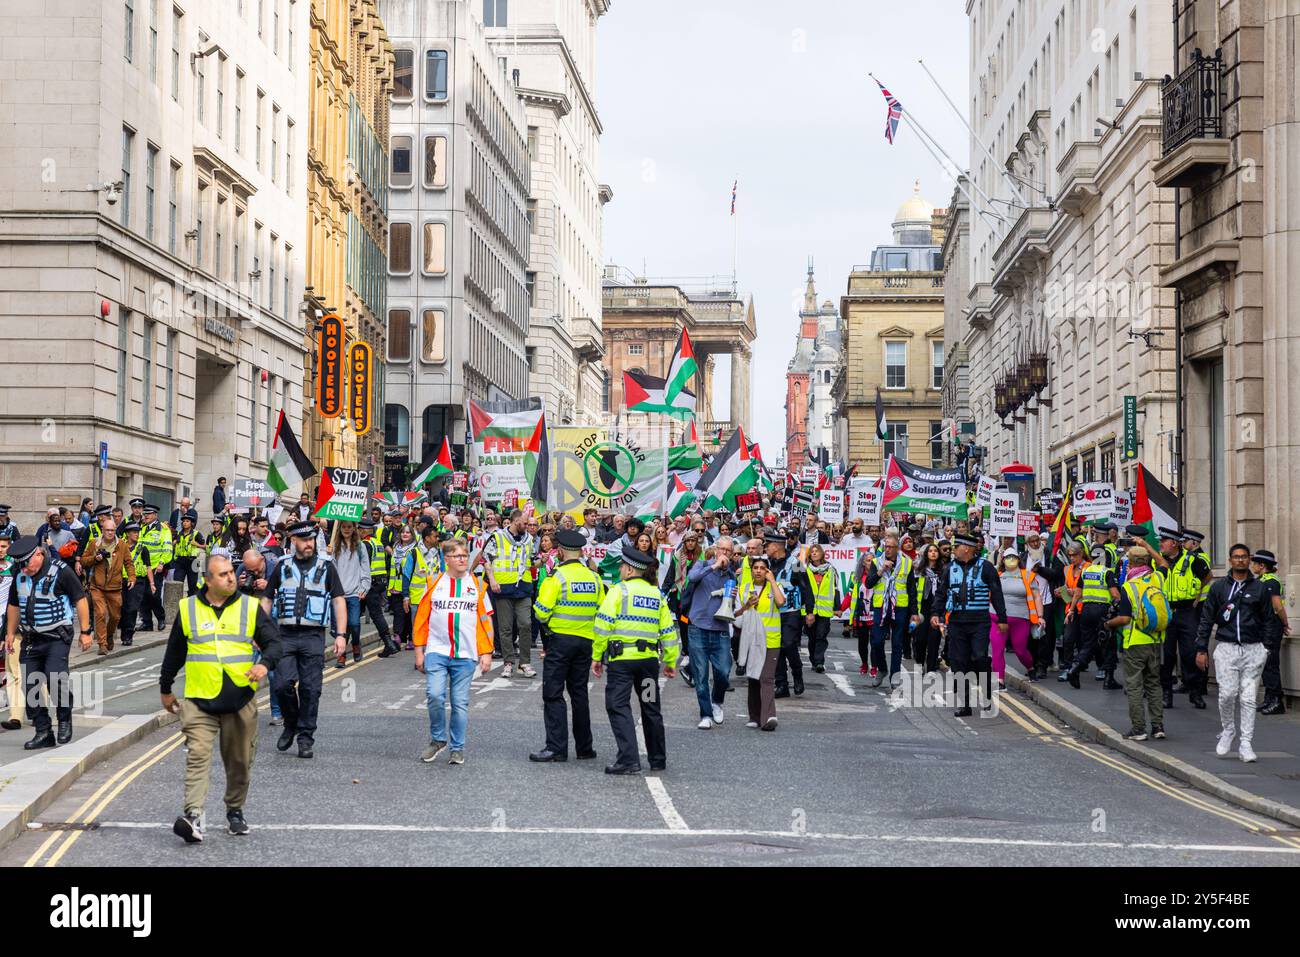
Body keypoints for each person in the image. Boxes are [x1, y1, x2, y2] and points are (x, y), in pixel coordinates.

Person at [160, 553, 282, 842]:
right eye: (223, 574)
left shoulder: (250, 607)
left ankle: (235, 810)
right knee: (198, 756)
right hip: (199, 700)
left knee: (240, 762)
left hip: (240, 700)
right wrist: (166, 688)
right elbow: (175, 651)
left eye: (231, 572)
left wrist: (264, 664)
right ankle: (193, 816)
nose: (231, 577)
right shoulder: (188, 608)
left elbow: (275, 643)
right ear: (207, 580)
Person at [259, 521, 348, 759]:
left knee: (310, 689)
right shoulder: (282, 566)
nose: (309, 544)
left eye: (311, 540)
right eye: (304, 540)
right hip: (284, 635)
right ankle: (291, 723)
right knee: (281, 685)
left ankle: (305, 738)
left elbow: (339, 600)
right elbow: (267, 599)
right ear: (293, 541)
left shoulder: (327, 567)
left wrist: (340, 634)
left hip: (313, 636)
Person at [591, 547, 679, 775]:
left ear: (630, 569)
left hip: (622, 663)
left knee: (618, 705)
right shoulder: (657, 595)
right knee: (650, 707)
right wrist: (670, 661)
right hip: (648, 664)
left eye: (622, 566)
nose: (620, 569)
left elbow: (602, 626)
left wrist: (597, 656)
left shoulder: (618, 592)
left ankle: (629, 759)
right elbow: (669, 632)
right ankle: (657, 758)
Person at [5, 536, 93, 748]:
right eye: (20, 566)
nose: (24, 569)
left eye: (27, 564)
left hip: (57, 637)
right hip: (31, 638)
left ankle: (64, 720)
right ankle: (43, 731)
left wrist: (85, 631)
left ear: (38, 554)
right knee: (30, 685)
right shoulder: (19, 574)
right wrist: (9, 633)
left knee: (56, 679)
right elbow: (14, 605)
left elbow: (80, 599)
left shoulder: (61, 571)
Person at [412, 539, 494, 766]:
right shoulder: (434, 582)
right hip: (437, 651)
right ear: (446, 558)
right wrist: (419, 651)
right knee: (435, 695)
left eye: (465, 556)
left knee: (459, 703)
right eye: (457, 556)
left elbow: (485, 621)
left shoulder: (477, 585)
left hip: (465, 655)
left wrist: (486, 652)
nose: (463, 560)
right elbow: (421, 621)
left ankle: (457, 748)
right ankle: (438, 739)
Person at [1196, 543, 1276, 763]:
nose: (1240, 560)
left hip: (1253, 648)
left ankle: (1246, 743)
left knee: (1249, 698)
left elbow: (1269, 619)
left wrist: (1266, 648)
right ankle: (1228, 730)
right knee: (1227, 694)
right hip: (1227, 648)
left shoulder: (1260, 589)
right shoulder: (1219, 588)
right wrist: (1201, 647)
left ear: (1249, 560)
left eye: (1244, 557)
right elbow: (1206, 619)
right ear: (1230, 560)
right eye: (1236, 557)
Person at [530, 529, 605, 761]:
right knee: (579, 694)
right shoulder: (594, 577)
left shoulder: (557, 577)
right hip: (586, 642)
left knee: (553, 694)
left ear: (560, 551)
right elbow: (602, 611)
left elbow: (541, 613)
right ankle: (585, 748)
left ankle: (556, 748)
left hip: (560, 641)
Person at [933, 533, 1006, 717]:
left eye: (956, 546)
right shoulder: (950, 568)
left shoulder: (986, 567)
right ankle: (965, 704)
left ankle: (987, 694)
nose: (953, 550)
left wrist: (1002, 619)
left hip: (979, 622)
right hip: (957, 622)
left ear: (966, 548)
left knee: (980, 657)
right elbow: (941, 594)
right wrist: (936, 614)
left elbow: (997, 594)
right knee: (958, 662)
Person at [1105, 546, 1167, 741]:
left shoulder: (1129, 586)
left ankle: (1138, 729)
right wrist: (1147, 546)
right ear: (1148, 562)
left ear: (1130, 563)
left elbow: (1123, 619)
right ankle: (1158, 727)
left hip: (1135, 642)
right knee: (1154, 685)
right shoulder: (1157, 578)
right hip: (1156, 640)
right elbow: (1164, 563)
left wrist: (1108, 623)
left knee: (1134, 687)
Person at [683, 536, 738, 729]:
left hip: (720, 629)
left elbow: (732, 604)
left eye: (729, 551)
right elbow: (692, 578)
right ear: (715, 550)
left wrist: (734, 596)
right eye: (722, 549)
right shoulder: (702, 564)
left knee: (723, 671)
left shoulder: (731, 575)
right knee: (700, 675)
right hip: (698, 626)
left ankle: (717, 702)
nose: (725, 553)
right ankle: (705, 714)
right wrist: (714, 566)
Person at [1160, 526, 1212, 710]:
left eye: (1163, 541)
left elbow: (1208, 576)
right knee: (1166, 655)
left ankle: (1195, 692)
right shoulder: (1159, 562)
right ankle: (1166, 693)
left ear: (1174, 543)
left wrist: (1197, 595)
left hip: (1186, 611)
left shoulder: (1192, 560)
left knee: (1190, 653)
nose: (1160, 544)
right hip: (1167, 612)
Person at [857, 533, 919, 687]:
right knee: (877, 641)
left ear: (897, 548)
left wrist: (914, 613)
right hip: (881, 607)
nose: (888, 550)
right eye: (886, 547)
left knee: (897, 644)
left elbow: (911, 589)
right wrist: (880, 571)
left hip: (900, 607)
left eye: (892, 547)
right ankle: (882, 669)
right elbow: (869, 584)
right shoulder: (877, 562)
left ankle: (895, 676)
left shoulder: (907, 563)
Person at [482, 508, 538, 679]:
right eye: (525, 523)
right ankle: (508, 663)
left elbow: (532, 559)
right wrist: (491, 580)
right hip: (503, 587)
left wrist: (541, 561)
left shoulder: (529, 538)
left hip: (524, 586)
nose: (528, 526)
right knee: (505, 628)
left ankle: (524, 663)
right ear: (516, 521)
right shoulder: (497, 537)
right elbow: (486, 558)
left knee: (525, 624)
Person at [737, 556, 783, 730]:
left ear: (767, 571)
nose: (758, 571)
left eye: (762, 568)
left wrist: (772, 581)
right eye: (755, 567)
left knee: (767, 678)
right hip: (751, 640)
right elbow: (736, 615)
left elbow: (781, 602)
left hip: (771, 641)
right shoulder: (744, 588)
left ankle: (769, 717)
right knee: (754, 678)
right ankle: (754, 716)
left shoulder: (775, 586)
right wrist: (747, 605)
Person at [1059, 542, 1114, 690]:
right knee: (1072, 639)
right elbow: (1078, 591)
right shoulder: (1069, 569)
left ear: (1082, 553)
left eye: (1074, 555)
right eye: (1070, 555)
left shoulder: (1088, 568)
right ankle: (1071, 668)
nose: (1072, 558)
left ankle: (1095, 668)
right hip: (1087, 610)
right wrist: (1070, 609)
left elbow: (1079, 591)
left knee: (1092, 642)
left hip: (1086, 609)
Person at [765, 531, 812, 698]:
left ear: (776, 546)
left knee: (789, 645)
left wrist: (810, 611)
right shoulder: (766, 563)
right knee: (775, 648)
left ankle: (797, 676)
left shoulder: (795, 563)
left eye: (767, 545)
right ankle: (781, 685)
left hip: (791, 612)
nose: (765, 548)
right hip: (772, 613)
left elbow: (806, 587)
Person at [81, 517, 135, 654]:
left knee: (115, 616)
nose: (110, 533)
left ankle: (110, 635)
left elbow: (128, 562)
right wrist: (95, 558)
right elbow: (83, 561)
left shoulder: (121, 545)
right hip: (97, 586)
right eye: (107, 530)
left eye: (113, 530)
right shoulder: (94, 543)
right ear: (103, 530)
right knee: (100, 613)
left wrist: (132, 577)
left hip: (115, 587)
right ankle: (102, 644)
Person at [990, 549, 1044, 685]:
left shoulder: (1027, 576)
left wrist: (1040, 616)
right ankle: (999, 679)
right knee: (997, 649)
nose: (1011, 559)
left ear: (1019, 559)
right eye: (1008, 557)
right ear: (1003, 559)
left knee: (1020, 650)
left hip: (1020, 619)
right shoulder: (997, 574)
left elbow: (1037, 597)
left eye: (1014, 557)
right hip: (997, 618)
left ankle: (1030, 667)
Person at [327, 520, 370, 669]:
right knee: (339, 628)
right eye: (343, 527)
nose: (346, 529)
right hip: (337, 594)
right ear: (339, 529)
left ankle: (356, 643)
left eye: (349, 527)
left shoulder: (360, 546)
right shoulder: (333, 546)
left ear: (354, 529)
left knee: (354, 624)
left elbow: (365, 568)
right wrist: (327, 554)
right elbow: (328, 569)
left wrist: (364, 587)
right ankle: (342, 655)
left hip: (354, 593)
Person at [1251, 549, 1290, 715]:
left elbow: (1277, 606)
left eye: (1255, 563)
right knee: (1265, 663)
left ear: (1262, 565)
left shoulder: (1271, 581)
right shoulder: (1262, 580)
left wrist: (1285, 623)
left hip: (1272, 627)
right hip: (1264, 627)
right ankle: (1269, 698)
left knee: (1270, 664)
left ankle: (1276, 701)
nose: (1252, 566)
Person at [360, 518, 399, 658]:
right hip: (380, 582)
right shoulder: (377, 542)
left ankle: (389, 644)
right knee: (375, 614)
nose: (358, 532)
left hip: (369, 583)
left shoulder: (365, 544)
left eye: (359, 529)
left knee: (371, 615)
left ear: (364, 530)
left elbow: (363, 565)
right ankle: (389, 643)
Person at [117, 522, 155, 647]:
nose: (137, 535)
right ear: (127, 534)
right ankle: (123, 630)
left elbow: (148, 567)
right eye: (134, 532)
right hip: (121, 580)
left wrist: (152, 583)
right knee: (122, 608)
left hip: (137, 581)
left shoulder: (142, 548)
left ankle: (128, 635)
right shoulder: (120, 546)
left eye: (138, 532)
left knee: (132, 608)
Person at [803, 543, 838, 673]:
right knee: (812, 637)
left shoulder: (830, 569)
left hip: (824, 609)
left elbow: (835, 589)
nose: (815, 553)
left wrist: (837, 607)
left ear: (822, 553)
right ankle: (813, 659)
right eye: (812, 552)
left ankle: (819, 662)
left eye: (817, 551)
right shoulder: (804, 569)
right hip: (809, 609)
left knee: (821, 636)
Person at [138, 504, 173, 631]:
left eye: (148, 514)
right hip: (142, 567)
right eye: (145, 514)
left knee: (154, 595)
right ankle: (147, 623)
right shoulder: (142, 528)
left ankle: (161, 618)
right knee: (142, 596)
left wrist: (162, 563)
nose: (145, 516)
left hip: (155, 567)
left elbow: (167, 548)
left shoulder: (163, 529)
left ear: (155, 515)